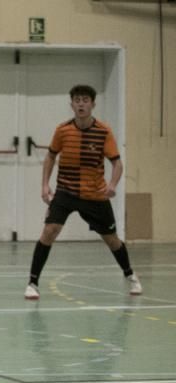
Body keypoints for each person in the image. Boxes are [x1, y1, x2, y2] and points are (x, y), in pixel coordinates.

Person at [25, 84, 141, 300]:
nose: (81, 104)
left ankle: (130, 275)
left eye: (85, 100)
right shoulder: (62, 130)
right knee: (50, 231)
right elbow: (50, 156)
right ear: (72, 105)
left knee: (112, 240)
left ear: (92, 104)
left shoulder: (104, 132)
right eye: (77, 100)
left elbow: (116, 163)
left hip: (94, 195)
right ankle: (32, 282)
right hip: (65, 192)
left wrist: (113, 184)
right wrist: (45, 184)